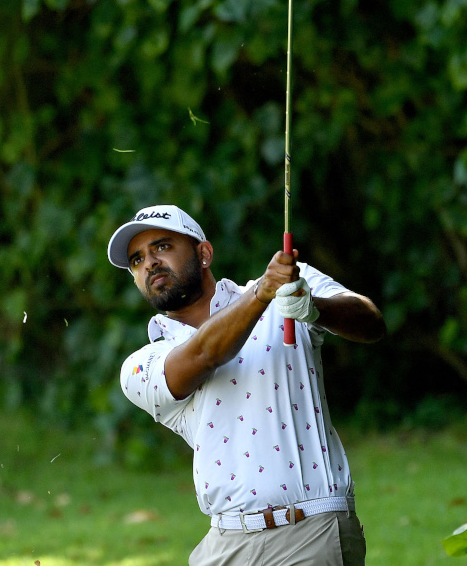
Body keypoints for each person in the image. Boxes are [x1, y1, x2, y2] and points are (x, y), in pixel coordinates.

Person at [108, 204, 385, 565]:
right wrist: (261, 296)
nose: (149, 263)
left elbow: (371, 323)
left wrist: (314, 307)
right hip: (225, 543)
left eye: (162, 247)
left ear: (203, 253)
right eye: (136, 260)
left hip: (311, 530)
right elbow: (204, 354)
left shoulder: (285, 288)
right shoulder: (141, 366)